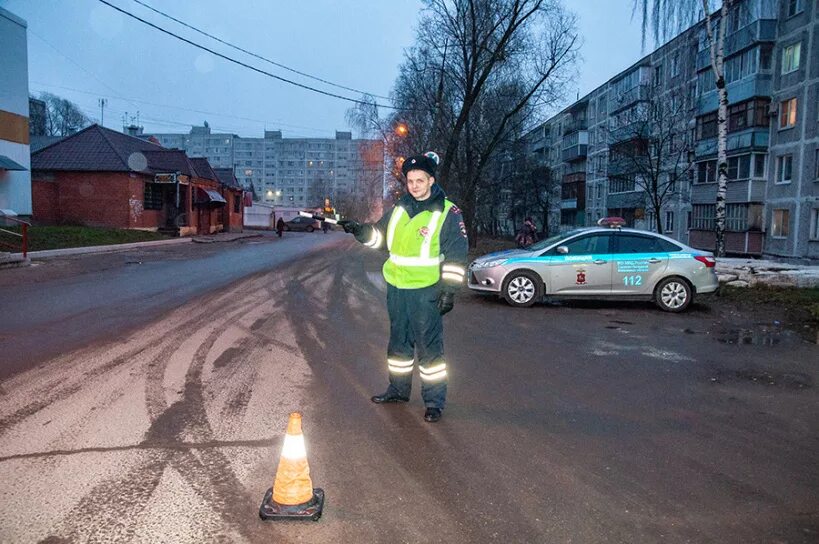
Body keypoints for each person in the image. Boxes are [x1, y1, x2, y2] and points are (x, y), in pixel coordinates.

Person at [339, 152, 468, 423]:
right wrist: (360, 231)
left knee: (429, 347)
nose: (414, 185)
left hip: (426, 290)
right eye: (410, 180)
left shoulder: (447, 211)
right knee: (398, 344)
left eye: (420, 180)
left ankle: (434, 402)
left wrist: (449, 290)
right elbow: (379, 238)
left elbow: (456, 254)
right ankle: (398, 391)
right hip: (397, 287)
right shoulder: (399, 208)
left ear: (431, 180)